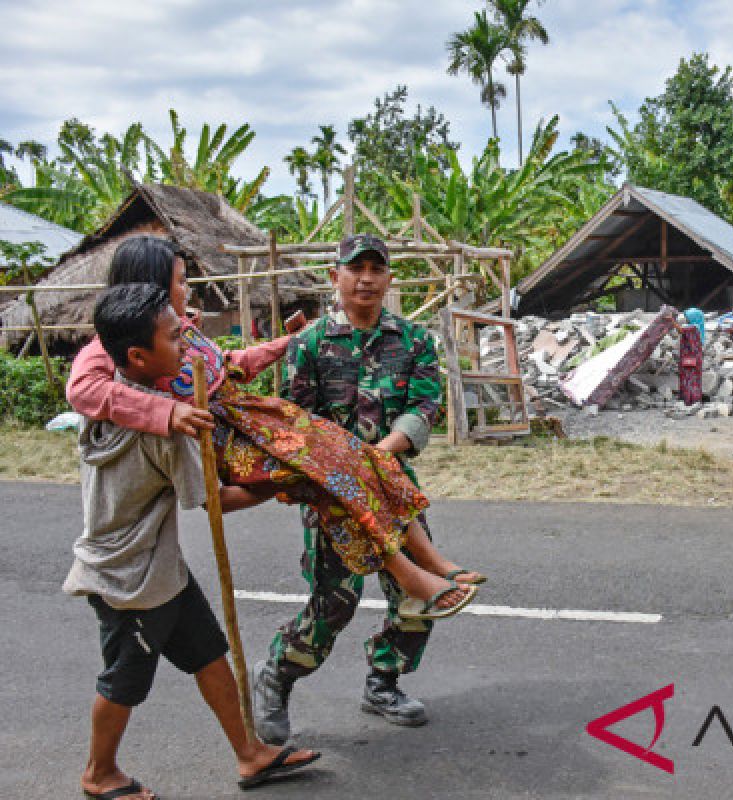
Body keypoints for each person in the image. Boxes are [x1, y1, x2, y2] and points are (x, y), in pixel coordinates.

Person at [66, 235, 480, 621]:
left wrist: (284, 344)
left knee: (354, 454)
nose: (188, 289)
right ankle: (410, 578)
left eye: (377, 270)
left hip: (254, 416)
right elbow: (82, 389)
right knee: (331, 473)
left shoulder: (183, 328)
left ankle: (428, 560)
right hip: (231, 435)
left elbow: (228, 366)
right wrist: (165, 413)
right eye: (180, 280)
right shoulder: (113, 343)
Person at [65, 284, 321, 799]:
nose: (186, 342)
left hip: (160, 568)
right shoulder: (164, 425)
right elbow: (216, 501)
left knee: (207, 653)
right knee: (125, 680)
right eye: (172, 336)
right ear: (137, 355)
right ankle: (99, 773)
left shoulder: (116, 397)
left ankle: (250, 754)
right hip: (128, 579)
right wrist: (285, 482)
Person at [253, 233, 485, 744]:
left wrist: (386, 449)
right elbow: (299, 422)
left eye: (376, 269)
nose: (365, 279)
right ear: (335, 276)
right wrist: (345, 464)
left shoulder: (415, 340)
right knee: (335, 600)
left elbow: (426, 404)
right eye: (355, 269)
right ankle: (278, 674)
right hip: (329, 492)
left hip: (394, 482)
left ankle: (384, 681)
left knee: (420, 594)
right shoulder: (309, 345)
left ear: (389, 279)